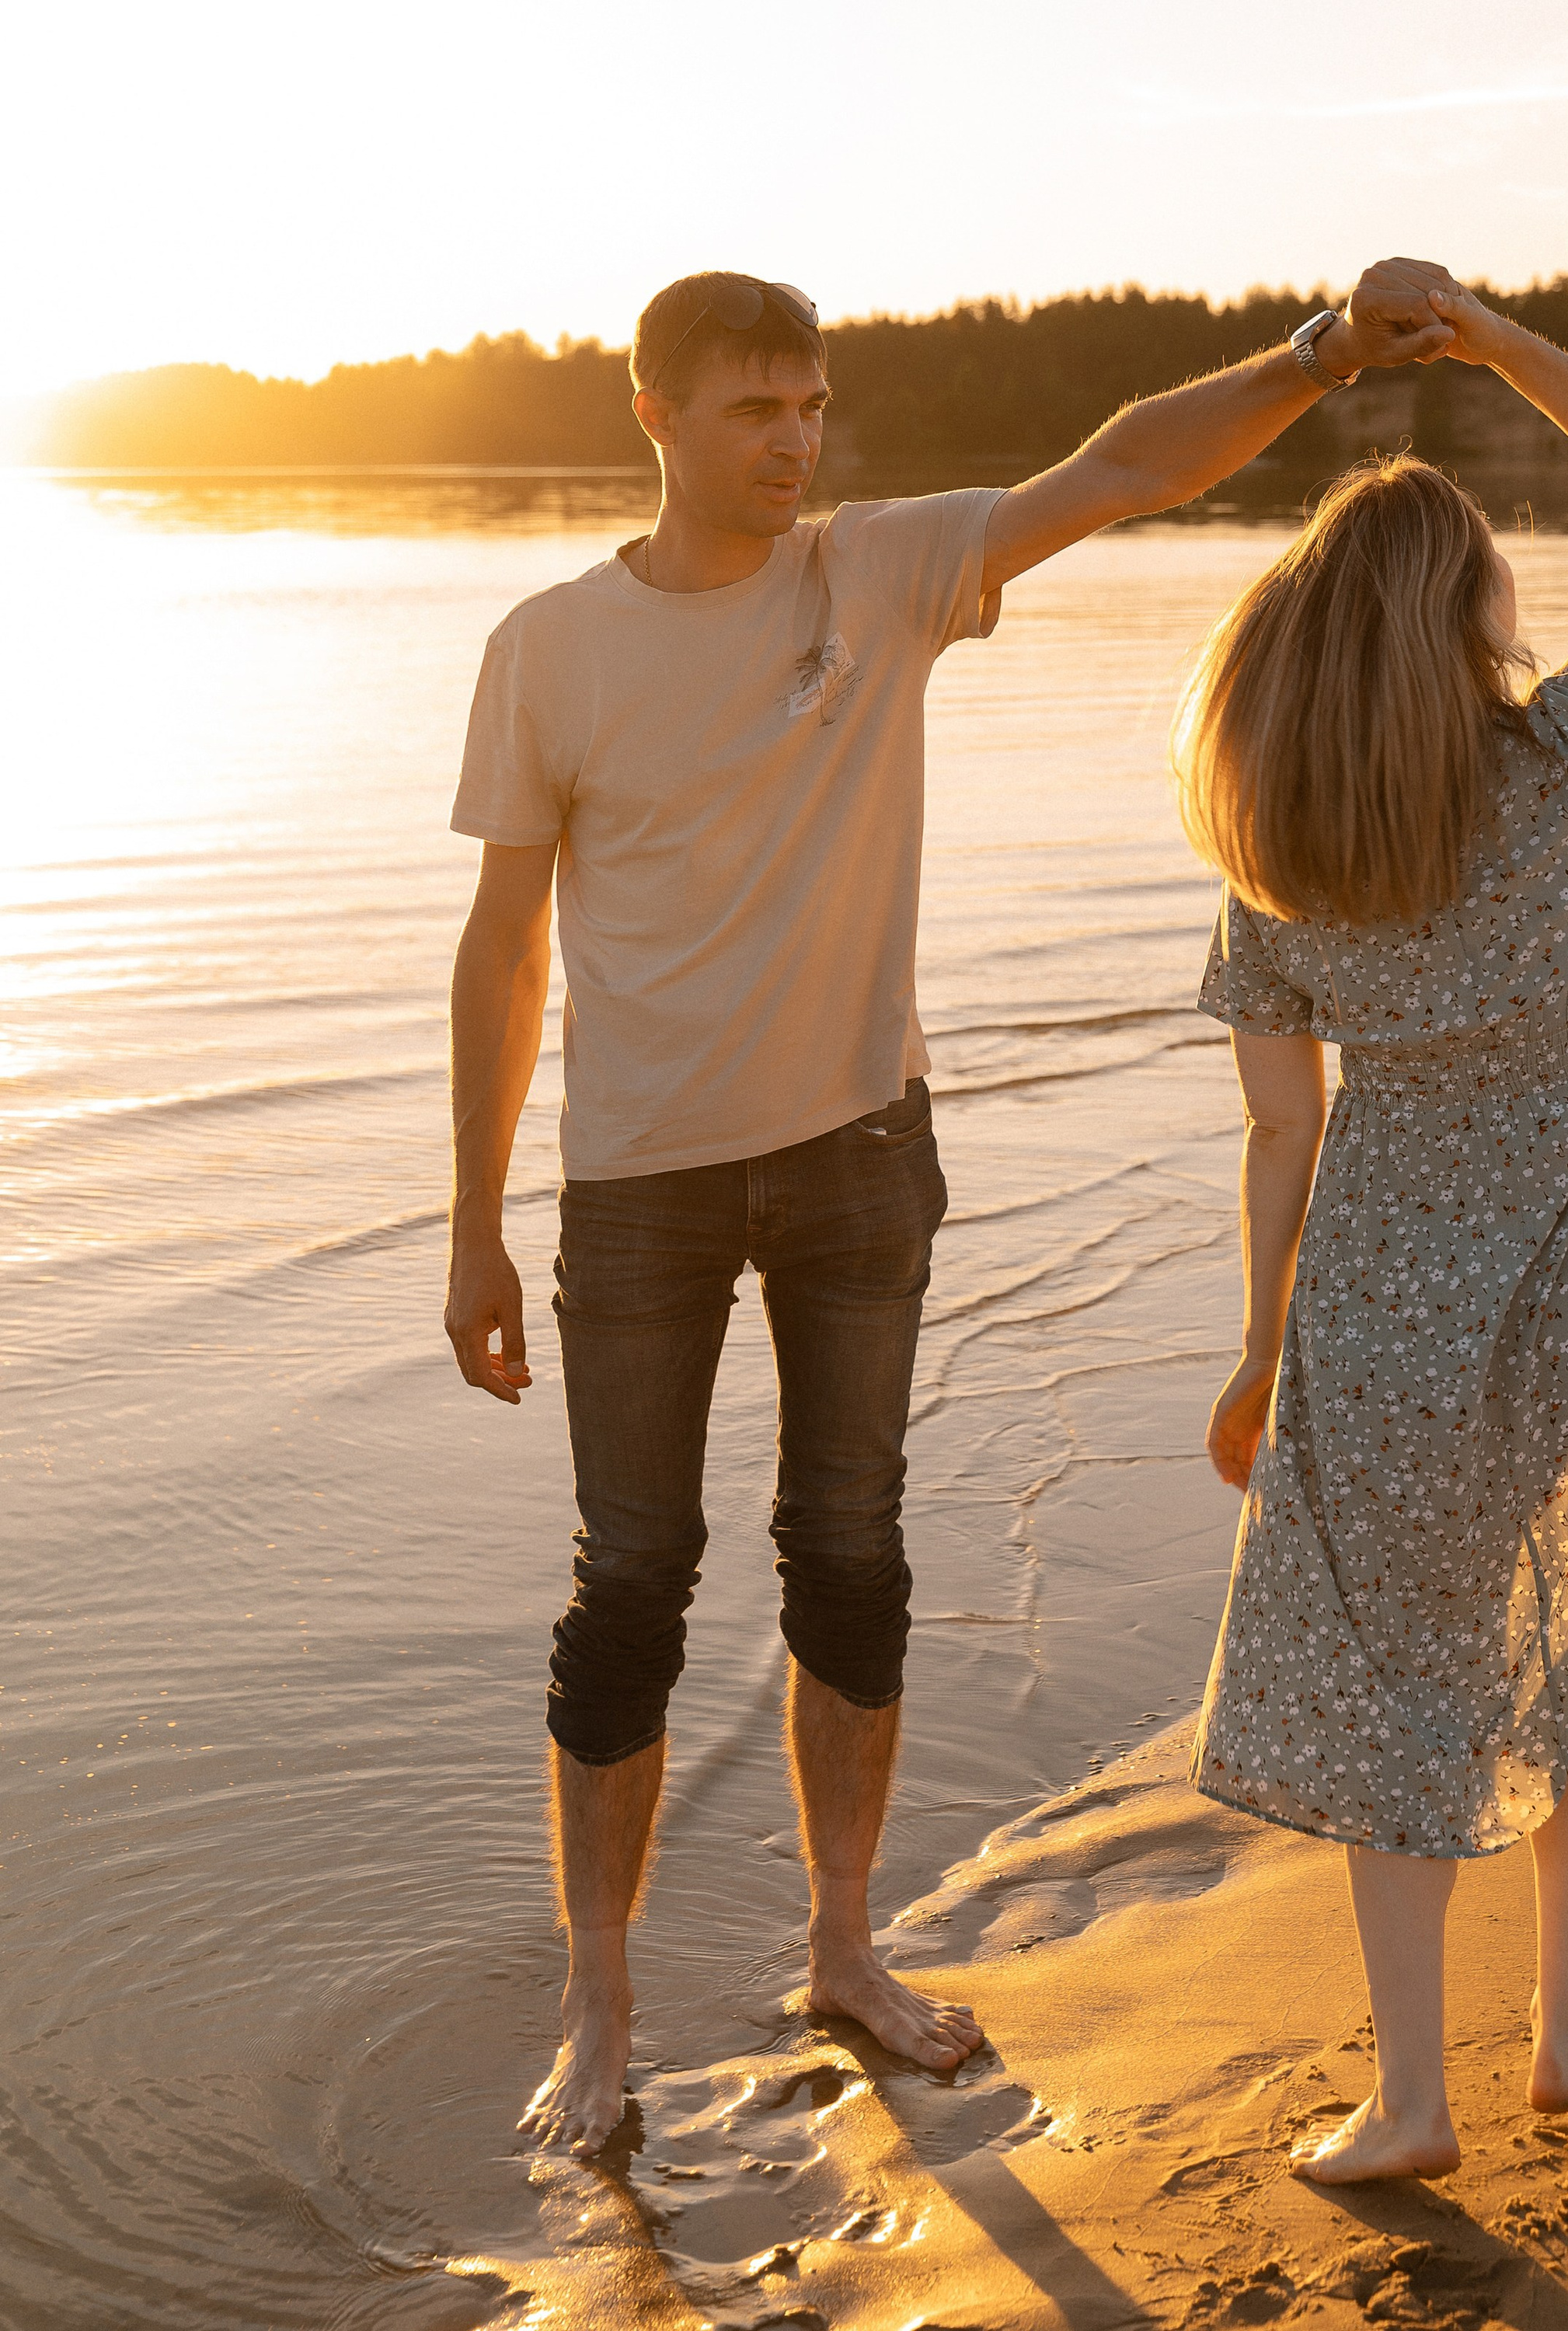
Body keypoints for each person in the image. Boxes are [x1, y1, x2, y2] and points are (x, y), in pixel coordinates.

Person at [443, 258, 1451, 2155]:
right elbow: (503, 951)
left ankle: (844, 1950)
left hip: (854, 1155)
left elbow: (1123, 469)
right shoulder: (549, 647)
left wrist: (1318, 357)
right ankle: (600, 2001)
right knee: (629, 1587)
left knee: (852, 1551)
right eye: (754, 410)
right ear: (653, 414)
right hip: (633, 1185)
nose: (793, 441)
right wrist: (472, 1220)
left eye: (811, 407)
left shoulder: (879, 572)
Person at [1174, 272, 1568, 2184]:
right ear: (1478, 613)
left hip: (1383, 1332)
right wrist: (1486, 337)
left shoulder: (1282, 849)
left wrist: (1257, 1348)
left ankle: (1408, 2101)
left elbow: (1277, 1133)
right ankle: (1562, 2032)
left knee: (1397, 1689)